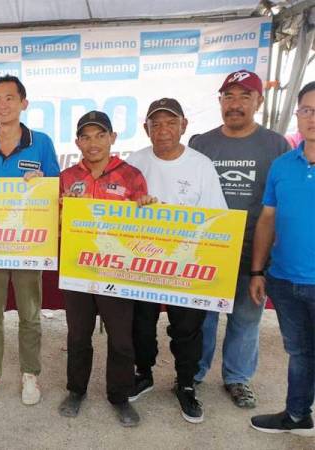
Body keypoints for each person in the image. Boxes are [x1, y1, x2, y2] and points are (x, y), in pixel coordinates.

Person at [189, 70, 290, 408]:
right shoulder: (201, 143)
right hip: (206, 250)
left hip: (254, 251)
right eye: (229, 97)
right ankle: (194, 372)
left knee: (246, 318)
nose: (235, 105)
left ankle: (237, 378)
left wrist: (264, 264)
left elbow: (278, 205)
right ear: (220, 102)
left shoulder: (276, 145)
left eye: (244, 97)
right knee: (202, 318)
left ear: (258, 101)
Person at [127, 98, 227, 424]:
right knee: (140, 323)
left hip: (186, 264)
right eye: (156, 124)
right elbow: (117, 210)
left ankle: (185, 384)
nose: (163, 130)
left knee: (186, 327)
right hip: (143, 261)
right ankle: (144, 373)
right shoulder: (135, 162)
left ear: (183, 125)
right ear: (146, 129)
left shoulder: (201, 165)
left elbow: (217, 220)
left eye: (170, 122)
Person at [0, 75, 60, 405]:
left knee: (30, 314)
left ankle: (30, 374)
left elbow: (55, 188)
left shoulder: (42, 142)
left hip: (28, 245)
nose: (3, 104)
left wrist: (43, 181)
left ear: (24, 103)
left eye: (10, 98)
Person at [57, 110, 147, 426]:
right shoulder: (67, 177)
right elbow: (54, 224)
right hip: (78, 269)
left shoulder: (131, 175)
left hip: (117, 269)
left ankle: (119, 396)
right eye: (86, 136)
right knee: (78, 335)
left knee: (121, 338)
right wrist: (62, 212)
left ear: (112, 138)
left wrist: (148, 210)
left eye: (100, 135)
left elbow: (144, 228)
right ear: (78, 142)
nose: (93, 143)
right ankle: (76, 390)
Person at [248, 81, 315, 436]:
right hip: (286, 279)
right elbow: (268, 219)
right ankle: (297, 414)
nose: (312, 118)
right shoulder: (282, 165)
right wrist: (258, 270)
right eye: (307, 110)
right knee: (299, 351)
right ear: (298, 116)